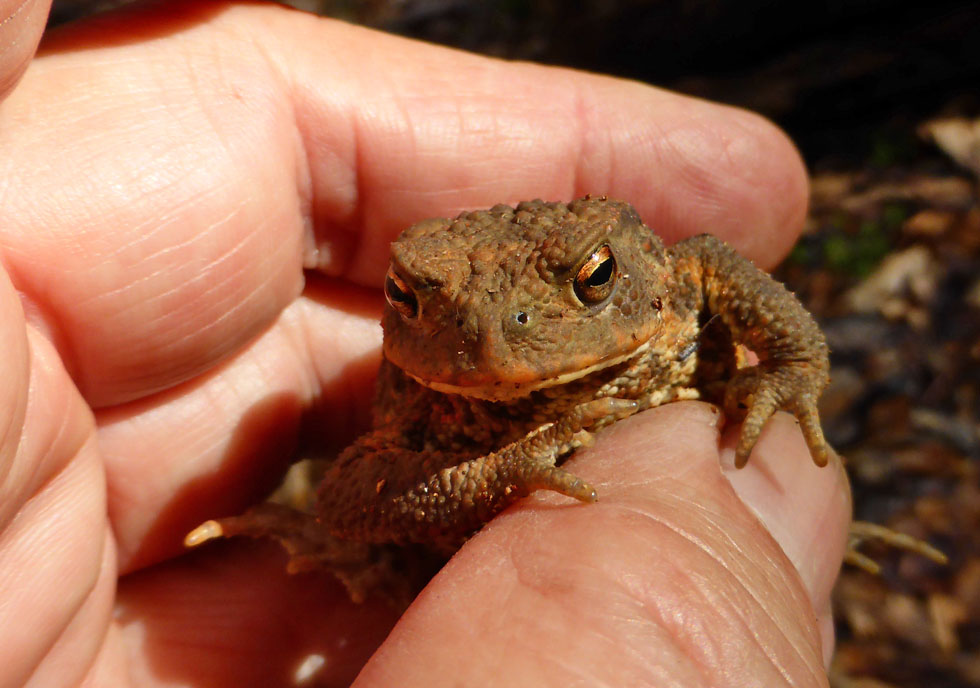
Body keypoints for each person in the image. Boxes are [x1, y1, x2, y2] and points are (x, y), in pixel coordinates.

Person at [0, 2, 849, 685]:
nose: (494, 335)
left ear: (626, 276)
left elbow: (706, 262)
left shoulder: (672, 285)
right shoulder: (434, 393)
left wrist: (796, 362)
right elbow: (347, 498)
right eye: (415, 298)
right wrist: (493, 475)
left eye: (586, 282)